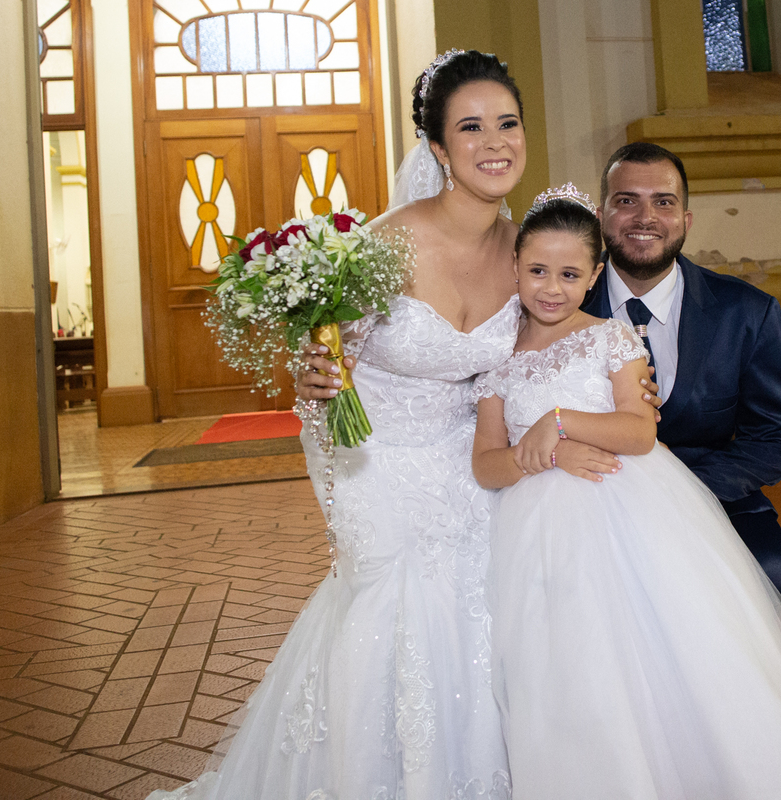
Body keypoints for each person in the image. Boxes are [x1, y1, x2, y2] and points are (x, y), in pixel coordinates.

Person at [147, 50, 554, 800]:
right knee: (387, 608)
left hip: (469, 463)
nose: (495, 142)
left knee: (479, 614)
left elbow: (546, 350)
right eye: (471, 127)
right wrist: (316, 396)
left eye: (508, 123)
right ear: (438, 149)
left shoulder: (527, 249)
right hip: (376, 459)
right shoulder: (381, 247)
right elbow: (323, 385)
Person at [472, 187, 781, 799]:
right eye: (537, 270)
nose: (551, 287)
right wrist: (548, 454)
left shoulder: (610, 338)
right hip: (532, 533)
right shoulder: (498, 361)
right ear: (514, 267)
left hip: (622, 510)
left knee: (653, 647)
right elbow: (487, 465)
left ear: (594, 276)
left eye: (570, 274)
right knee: (562, 662)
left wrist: (561, 422)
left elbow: (639, 431)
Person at [583, 142, 781, 600]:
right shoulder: (561, 307)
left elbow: (774, 437)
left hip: (713, 494)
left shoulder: (746, 312)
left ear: (685, 220)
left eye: (663, 202)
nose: (645, 218)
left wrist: (687, 488)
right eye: (627, 201)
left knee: (771, 569)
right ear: (601, 215)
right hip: (591, 497)